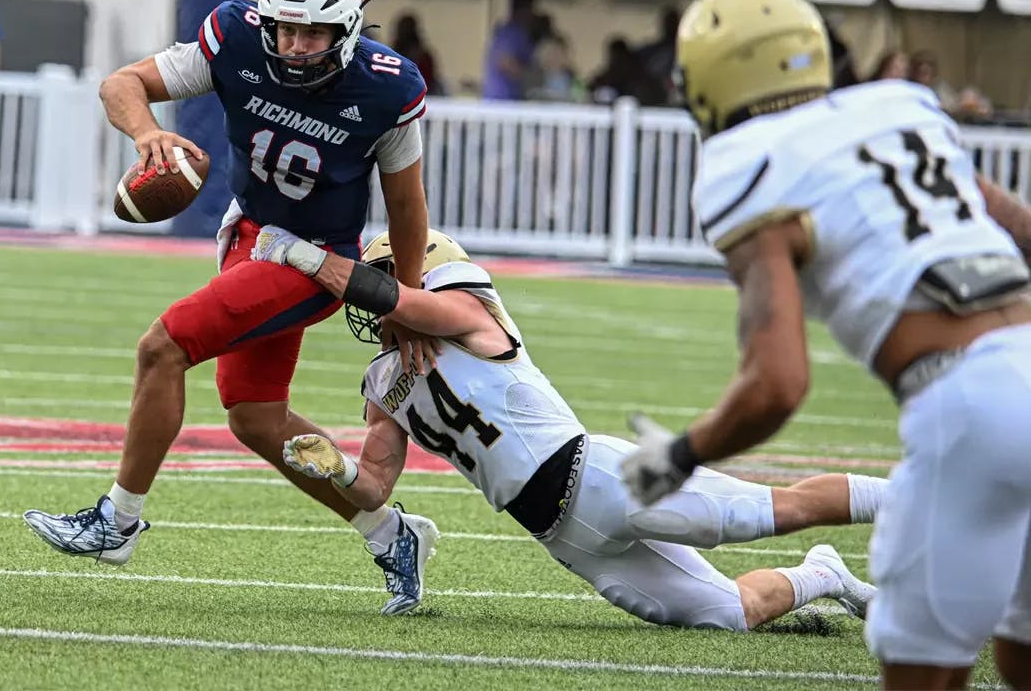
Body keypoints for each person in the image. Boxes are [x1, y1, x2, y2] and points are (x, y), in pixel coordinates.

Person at [617, 0, 1031, 690]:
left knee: (924, 671)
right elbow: (1021, 230)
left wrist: (679, 455)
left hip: (969, 405)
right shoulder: (900, 108)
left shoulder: (742, 167)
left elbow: (777, 384)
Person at [24, 0, 438, 616]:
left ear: (347, 33)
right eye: (285, 30)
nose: (295, 47)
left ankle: (116, 522)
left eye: (312, 35)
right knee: (254, 415)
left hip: (313, 259)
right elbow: (120, 85)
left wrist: (407, 301)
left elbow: (408, 206)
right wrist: (147, 134)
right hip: (249, 234)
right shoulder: (237, 36)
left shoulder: (388, 88)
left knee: (164, 347)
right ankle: (391, 537)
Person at [249, 225, 885, 630]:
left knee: (782, 510)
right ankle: (824, 574)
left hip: (604, 478)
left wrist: (304, 258)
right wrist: (338, 468)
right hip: (560, 536)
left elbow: (408, 303)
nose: (366, 302)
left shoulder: (471, 312)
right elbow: (376, 487)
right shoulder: (383, 384)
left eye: (380, 284)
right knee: (728, 615)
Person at [482, 0, 536, 101]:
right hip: (501, 101)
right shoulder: (511, 32)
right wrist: (531, 78)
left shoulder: (521, 33)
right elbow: (504, 61)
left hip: (511, 100)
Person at [390, 13, 443, 97]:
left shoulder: (423, 56)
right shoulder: (391, 54)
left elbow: (427, 82)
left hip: (421, 96)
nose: (404, 33)